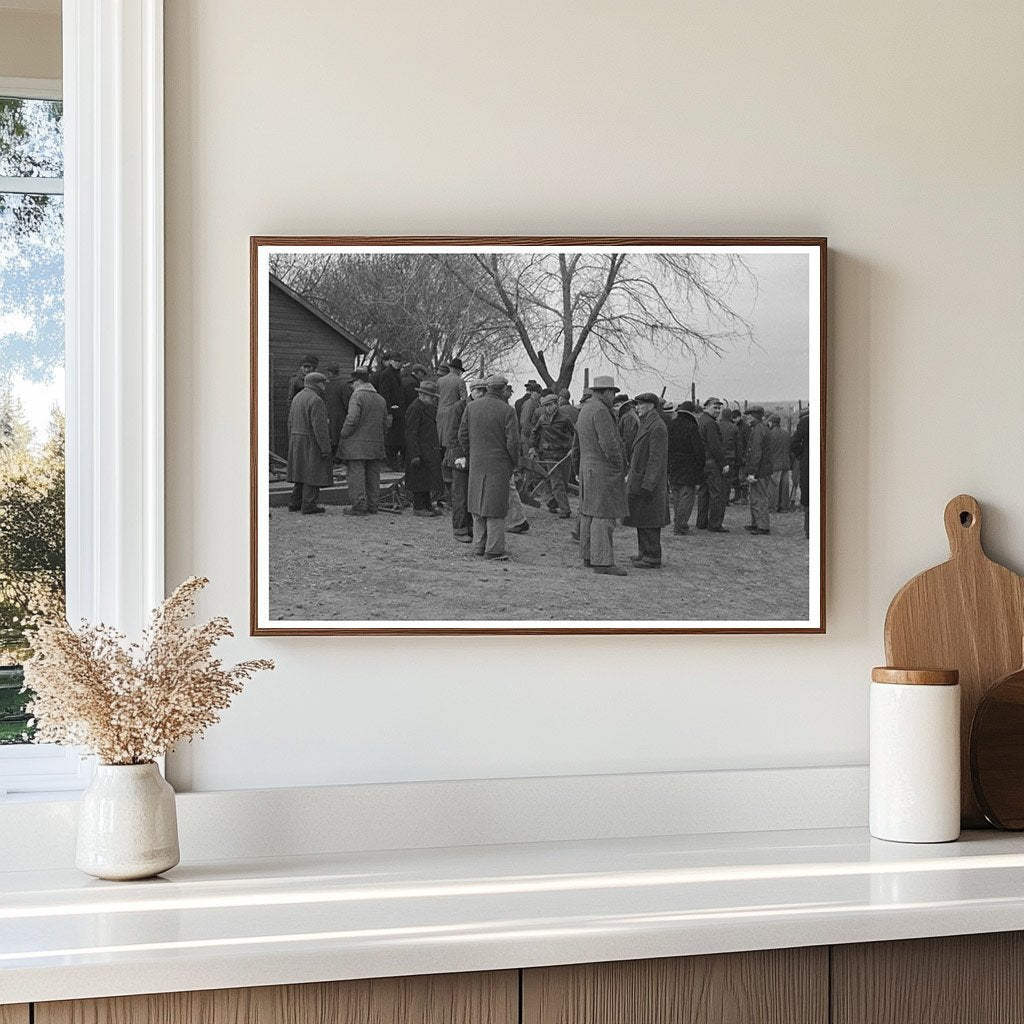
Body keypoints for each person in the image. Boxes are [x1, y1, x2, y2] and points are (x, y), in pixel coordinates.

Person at [457, 375, 520, 560]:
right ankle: (494, 549)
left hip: (477, 463)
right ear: (502, 390)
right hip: (499, 465)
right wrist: (513, 462)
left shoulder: (471, 407)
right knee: (496, 508)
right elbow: (513, 443)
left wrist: (472, 454)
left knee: (477, 505)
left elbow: (462, 435)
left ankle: (479, 546)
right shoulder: (507, 411)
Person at [576, 375, 629, 576]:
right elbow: (609, 443)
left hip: (587, 468)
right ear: (607, 392)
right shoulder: (600, 411)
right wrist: (619, 464)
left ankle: (589, 556)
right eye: (613, 394)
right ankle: (603, 561)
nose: (613, 398)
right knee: (603, 516)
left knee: (589, 514)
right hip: (602, 470)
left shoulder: (586, 409)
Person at [625, 393, 670, 568]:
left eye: (641, 405)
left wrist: (648, 485)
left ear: (650, 406)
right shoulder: (648, 424)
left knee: (650, 521)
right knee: (642, 518)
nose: (637, 408)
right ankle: (643, 552)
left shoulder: (657, 426)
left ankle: (652, 556)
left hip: (649, 484)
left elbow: (656, 459)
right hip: (641, 480)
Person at [338, 367, 387, 515]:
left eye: (352, 383)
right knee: (373, 475)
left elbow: (352, 419)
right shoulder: (381, 398)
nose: (351, 386)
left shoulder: (357, 396)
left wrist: (343, 433)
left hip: (356, 445)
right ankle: (373, 505)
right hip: (376, 444)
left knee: (356, 475)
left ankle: (359, 506)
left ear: (358, 381)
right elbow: (385, 423)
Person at [286, 371, 332, 514]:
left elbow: (290, 422)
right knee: (313, 473)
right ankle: (309, 504)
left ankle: (295, 502)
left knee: (300, 472)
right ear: (316, 384)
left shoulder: (297, 398)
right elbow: (320, 428)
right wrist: (325, 448)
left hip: (296, 439)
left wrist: (292, 440)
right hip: (311, 441)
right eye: (323, 384)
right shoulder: (316, 400)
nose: (324, 387)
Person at [446, 378, 486, 542]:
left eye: (484, 390)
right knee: (460, 495)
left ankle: (469, 527)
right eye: (478, 390)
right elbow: (453, 435)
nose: (481, 394)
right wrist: (459, 456)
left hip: (475, 457)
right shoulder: (459, 407)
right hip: (460, 457)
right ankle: (459, 529)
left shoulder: (481, 408)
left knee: (472, 495)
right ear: (472, 391)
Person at [529, 392, 575, 518]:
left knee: (564, 483)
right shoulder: (542, 419)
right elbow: (534, 432)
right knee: (557, 483)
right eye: (546, 405)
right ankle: (566, 510)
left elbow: (575, 433)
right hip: (549, 455)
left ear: (556, 404)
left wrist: (573, 448)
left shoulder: (565, 419)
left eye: (550, 405)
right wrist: (532, 447)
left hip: (564, 454)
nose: (548, 408)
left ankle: (552, 503)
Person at [404, 379, 444, 517]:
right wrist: (415, 453)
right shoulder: (415, 409)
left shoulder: (427, 408)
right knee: (419, 480)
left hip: (427, 449)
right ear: (422, 395)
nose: (433, 399)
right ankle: (419, 507)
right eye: (431, 397)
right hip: (419, 450)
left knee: (426, 480)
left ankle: (426, 505)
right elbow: (411, 433)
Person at [666, 400, 705, 534]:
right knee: (687, 497)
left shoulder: (670, 425)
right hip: (688, 467)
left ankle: (678, 522)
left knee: (676, 496)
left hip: (673, 465)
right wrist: (700, 466)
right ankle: (681, 526)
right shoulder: (692, 426)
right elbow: (698, 450)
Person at [695, 396, 730, 533]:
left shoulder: (701, 421)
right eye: (714, 408)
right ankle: (715, 524)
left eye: (719, 408)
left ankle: (701, 521)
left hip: (702, 462)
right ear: (706, 407)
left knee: (703, 493)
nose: (717, 410)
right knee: (716, 494)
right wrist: (723, 463)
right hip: (711, 463)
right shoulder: (711, 424)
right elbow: (715, 446)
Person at [373, 351, 407, 470]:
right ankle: (390, 463)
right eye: (395, 361)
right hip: (392, 411)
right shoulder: (387, 374)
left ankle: (392, 463)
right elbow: (385, 393)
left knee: (397, 438)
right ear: (391, 361)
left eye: (399, 361)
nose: (397, 363)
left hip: (398, 411)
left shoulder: (396, 374)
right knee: (392, 439)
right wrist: (389, 409)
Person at [744, 406, 773, 535]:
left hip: (759, 470)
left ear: (754, 416)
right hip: (763, 469)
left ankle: (762, 526)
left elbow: (756, 453)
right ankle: (757, 523)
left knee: (759, 497)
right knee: (756, 497)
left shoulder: (757, 430)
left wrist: (752, 472)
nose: (747, 418)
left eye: (748, 415)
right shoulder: (762, 428)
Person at [436, 357, 468, 453]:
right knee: (449, 439)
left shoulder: (440, 380)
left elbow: (435, 397)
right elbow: (464, 399)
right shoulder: (460, 381)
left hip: (440, 411)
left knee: (439, 438)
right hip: (452, 412)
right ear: (458, 370)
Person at [323, 362, 353, 461]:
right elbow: (346, 402)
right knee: (338, 438)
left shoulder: (323, 384)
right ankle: (338, 459)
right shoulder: (343, 384)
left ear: (329, 372)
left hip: (325, 415)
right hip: (339, 417)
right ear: (337, 372)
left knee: (328, 437)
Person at [790, 406, 811, 539]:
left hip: (809, 463)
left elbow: (794, 443)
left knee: (809, 496)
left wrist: (802, 456)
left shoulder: (805, 422)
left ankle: (810, 529)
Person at [768, 414, 792, 512]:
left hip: (775, 463)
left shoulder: (770, 434)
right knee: (784, 486)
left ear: (772, 422)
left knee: (774, 486)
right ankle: (783, 507)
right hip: (786, 463)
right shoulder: (786, 433)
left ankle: (773, 506)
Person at [718, 407, 740, 505]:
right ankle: (725, 499)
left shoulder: (717, 425)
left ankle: (718, 498)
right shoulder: (734, 427)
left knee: (718, 479)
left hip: (719, 456)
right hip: (731, 456)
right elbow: (738, 444)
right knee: (727, 480)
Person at [614, 395, 640, 469]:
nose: (615, 409)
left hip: (629, 456)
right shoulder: (628, 415)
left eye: (617, 405)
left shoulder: (628, 417)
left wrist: (625, 460)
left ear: (623, 403)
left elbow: (628, 440)